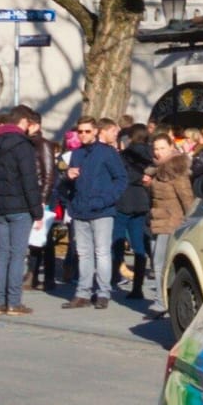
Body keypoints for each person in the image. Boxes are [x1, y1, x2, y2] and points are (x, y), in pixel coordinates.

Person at [60, 118, 127, 309]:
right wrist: (68, 179)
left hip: (102, 210)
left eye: (87, 131)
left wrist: (106, 199)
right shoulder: (76, 153)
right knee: (84, 254)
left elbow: (121, 178)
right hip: (80, 209)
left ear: (96, 131)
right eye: (80, 131)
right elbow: (66, 184)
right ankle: (82, 292)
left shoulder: (107, 153)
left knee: (102, 252)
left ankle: (103, 292)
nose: (83, 135)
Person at [0, 106, 44, 316]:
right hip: (20, 207)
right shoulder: (22, 145)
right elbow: (30, 181)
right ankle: (14, 302)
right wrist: (38, 212)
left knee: (1, 254)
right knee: (17, 255)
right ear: (24, 121)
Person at [146, 132, 195, 319]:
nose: (158, 152)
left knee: (160, 264)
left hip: (171, 222)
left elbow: (187, 199)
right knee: (158, 264)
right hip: (157, 221)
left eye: (162, 148)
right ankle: (162, 301)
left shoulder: (175, 170)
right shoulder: (158, 170)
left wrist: (189, 222)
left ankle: (160, 303)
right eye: (156, 149)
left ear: (172, 148)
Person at [115, 123, 155, 299]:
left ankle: (118, 274)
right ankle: (137, 287)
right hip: (142, 200)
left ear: (130, 137)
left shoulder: (125, 155)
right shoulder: (152, 155)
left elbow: (122, 176)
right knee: (139, 244)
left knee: (116, 240)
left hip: (124, 200)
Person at [26, 116, 60, 292]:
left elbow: (48, 174)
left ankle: (48, 277)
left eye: (28, 124)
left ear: (36, 125)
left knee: (44, 238)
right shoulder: (26, 144)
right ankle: (32, 274)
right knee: (34, 238)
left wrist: (43, 199)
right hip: (30, 196)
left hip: (42, 197)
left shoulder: (43, 144)